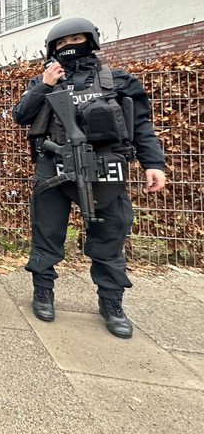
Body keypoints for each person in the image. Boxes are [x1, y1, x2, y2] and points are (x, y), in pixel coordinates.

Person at [12, 17, 166, 338]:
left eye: (75, 39)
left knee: (110, 235)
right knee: (46, 234)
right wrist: (45, 84)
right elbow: (21, 115)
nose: (69, 47)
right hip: (53, 167)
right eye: (61, 44)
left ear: (91, 41)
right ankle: (43, 291)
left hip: (106, 169)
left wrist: (153, 163)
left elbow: (141, 125)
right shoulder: (43, 81)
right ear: (51, 50)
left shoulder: (116, 80)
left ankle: (111, 302)